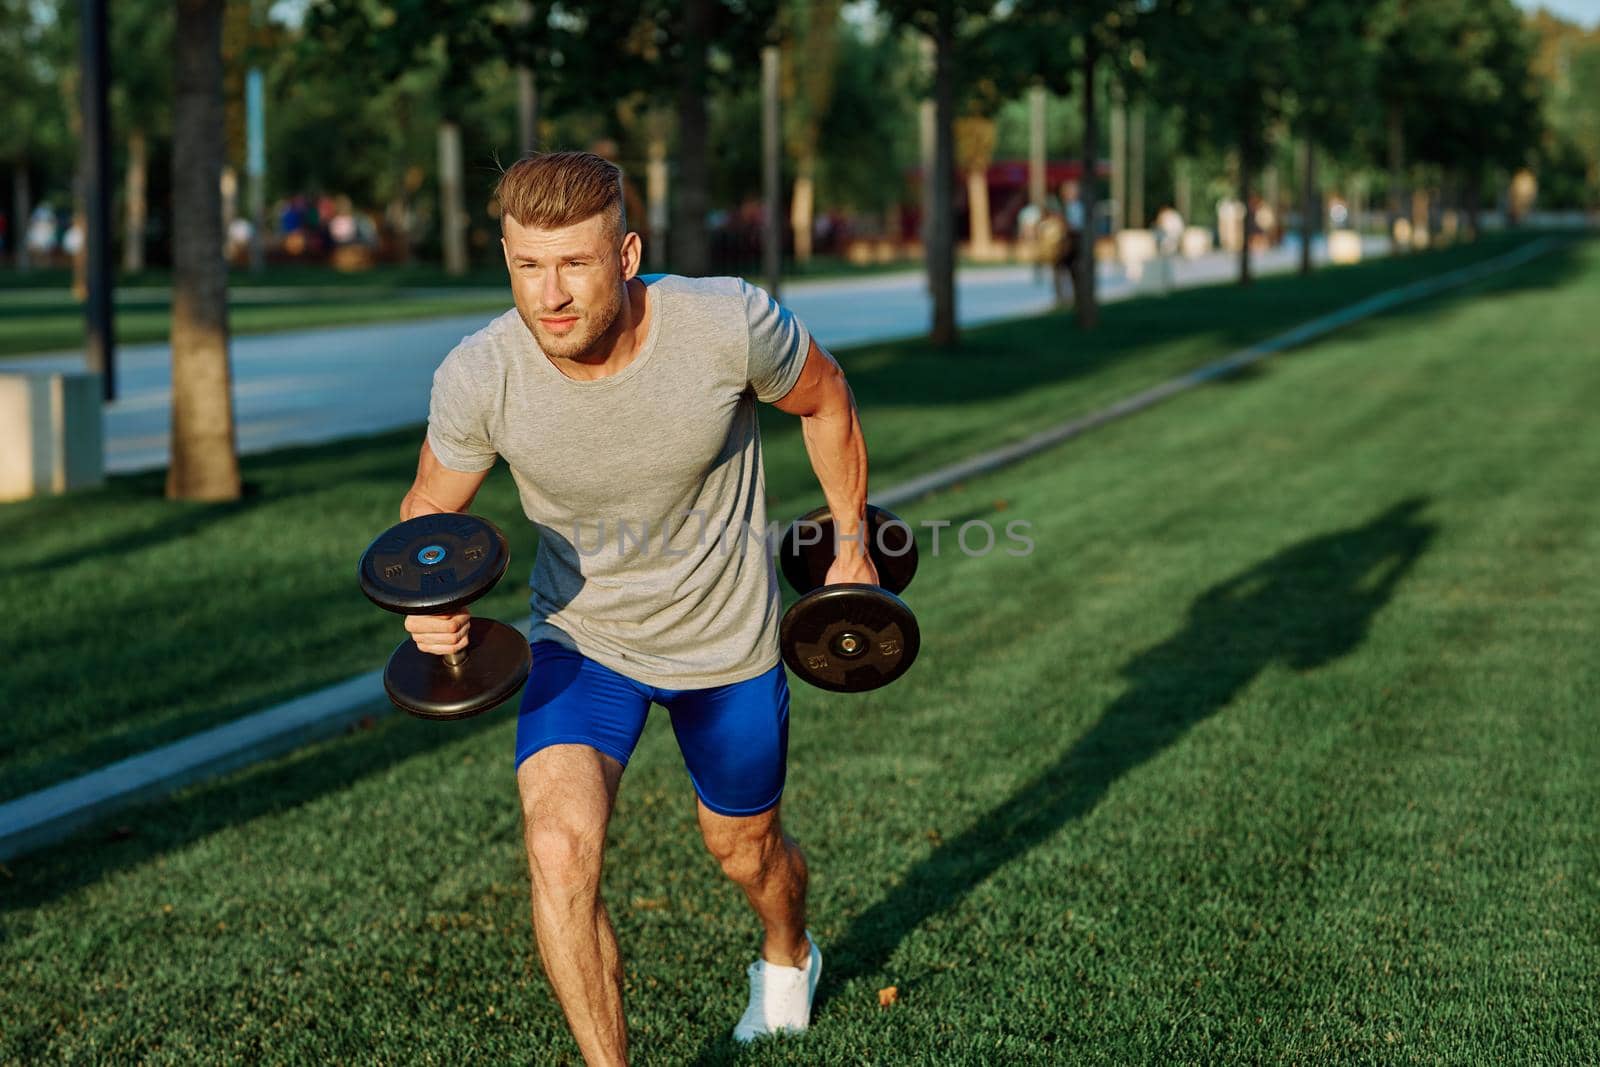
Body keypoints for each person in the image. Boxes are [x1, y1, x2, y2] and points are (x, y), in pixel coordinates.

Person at [397, 151, 878, 1065]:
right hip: (584, 640)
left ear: (625, 254)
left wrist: (849, 543)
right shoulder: (480, 374)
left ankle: (788, 953)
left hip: (725, 642)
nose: (551, 295)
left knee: (746, 851)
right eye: (527, 265)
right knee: (558, 844)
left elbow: (826, 399)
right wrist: (430, 606)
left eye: (574, 264)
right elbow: (428, 510)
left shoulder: (725, 323)